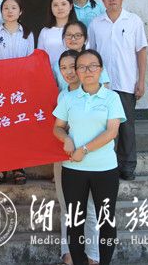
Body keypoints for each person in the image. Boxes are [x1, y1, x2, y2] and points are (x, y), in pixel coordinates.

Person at [53, 49, 126, 265]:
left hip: (104, 169)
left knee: (106, 220)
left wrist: (83, 149)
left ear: (100, 69)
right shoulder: (68, 98)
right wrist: (65, 138)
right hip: (73, 170)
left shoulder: (112, 98)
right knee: (75, 221)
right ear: (77, 71)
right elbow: (57, 127)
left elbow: (112, 132)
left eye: (93, 66)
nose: (88, 71)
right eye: (82, 67)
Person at [88, 0, 147, 181]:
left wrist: (141, 81)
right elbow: (91, 54)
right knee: (102, 126)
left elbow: (141, 52)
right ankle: (108, 165)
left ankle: (128, 166)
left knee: (126, 126)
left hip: (126, 82)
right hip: (102, 85)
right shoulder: (96, 24)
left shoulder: (134, 21)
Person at [53, 50, 100, 265]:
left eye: (72, 67)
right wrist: (65, 138)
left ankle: (93, 256)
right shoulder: (62, 96)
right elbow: (58, 127)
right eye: (63, 68)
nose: (68, 72)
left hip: (90, 159)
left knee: (89, 209)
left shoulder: (95, 94)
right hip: (64, 159)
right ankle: (69, 254)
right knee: (67, 207)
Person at [0, 0, 34, 185]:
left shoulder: (27, 33)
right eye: (6, 8)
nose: (9, 11)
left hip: (20, 89)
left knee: (18, 128)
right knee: (0, 128)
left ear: (20, 12)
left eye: (14, 8)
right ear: (1, 11)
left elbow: (31, 62)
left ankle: (18, 166)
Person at [52, 21, 110, 92]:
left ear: (85, 39)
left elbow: (105, 89)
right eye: (69, 35)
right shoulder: (57, 65)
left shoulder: (94, 61)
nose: (73, 39)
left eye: (78, 35)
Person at [37, 0, 77, 67]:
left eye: (63, 4)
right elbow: (40, 58)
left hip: (73, 72)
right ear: (51, 8)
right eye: (55, 5)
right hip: (50, 72)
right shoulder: (45, 31)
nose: (60, 8)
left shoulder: (78, 29)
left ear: (71, 6)